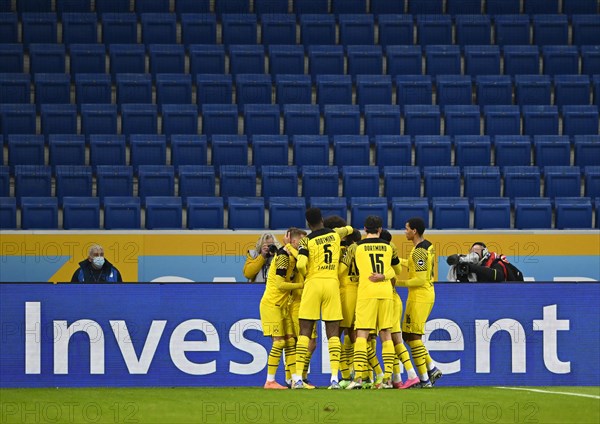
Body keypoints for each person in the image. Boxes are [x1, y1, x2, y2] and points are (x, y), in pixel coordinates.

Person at [292, 208, 354, 389]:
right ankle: (335, 378)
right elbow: (350, 230)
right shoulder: (335, 234)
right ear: (322, 219)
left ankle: (297, 378)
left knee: (305, 331)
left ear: (308, 223)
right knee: (333, 333)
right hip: (332, 283)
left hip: (313, 283)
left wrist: (306, 274)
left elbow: (301, 263)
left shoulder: (306, 240)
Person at [343, 216, 401, 389]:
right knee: (386, 334)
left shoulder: (355, 247)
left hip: (366, 292)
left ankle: (359, 378)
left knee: (362, 334)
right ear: (380, 229)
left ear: (364, 229)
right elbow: (396, 270)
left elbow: (342, 268)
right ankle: (388, 380)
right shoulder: (389, 247)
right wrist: (384, 275)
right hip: (385, 292)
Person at [395, 217, 442, 388]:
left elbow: (420, 279)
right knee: (409, 335)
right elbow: (415, 266)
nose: (405, 231)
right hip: (421, 295)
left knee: (413, 336)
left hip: (420, 295)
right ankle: (431, 368)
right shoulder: (425, 246)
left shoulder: (420, 251)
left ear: (414, 231)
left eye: (406, 228)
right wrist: (396, 259)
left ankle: (425, 378)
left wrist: (398, 283)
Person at [259, 228, 307, 389]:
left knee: (290, 342)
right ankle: (270, 381)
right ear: (293, 242)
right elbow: (279, 284)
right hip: (272, 304)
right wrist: (303, 285)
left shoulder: (293, 256)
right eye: (301, 242)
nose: (304, 245)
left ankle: (295, 380)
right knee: (279, 343)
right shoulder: (283, 257)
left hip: (283, 305)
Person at [379, 230, 420, 389]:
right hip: (393, 298)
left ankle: (408, 375)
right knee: (394, 340)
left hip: (388, 300)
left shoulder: (380, 253)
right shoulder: (390, 250)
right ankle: (397, 378)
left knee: (391, 339)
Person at [447, 242, 522, 282]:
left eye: (476, 252)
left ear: (484, 252)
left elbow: (498, 276)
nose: (474, 255)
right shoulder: (473, 265)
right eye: (472, 252)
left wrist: (473, 268)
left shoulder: (496, 261)